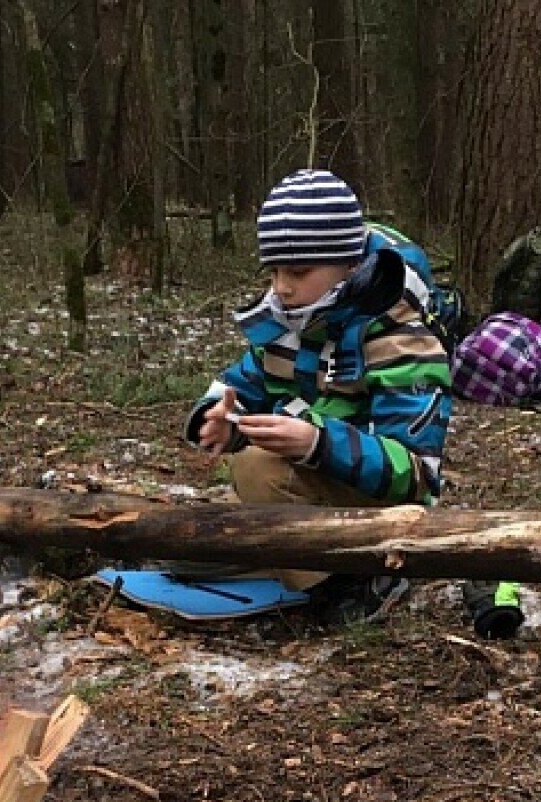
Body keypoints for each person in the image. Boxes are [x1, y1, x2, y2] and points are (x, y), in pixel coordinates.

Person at [184, 169, 453, 624]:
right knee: (220, 511)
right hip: (321, 483)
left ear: (350, 265)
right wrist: (218, 419)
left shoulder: (400, 337)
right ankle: (293, 555)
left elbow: (418, 474)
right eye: (273, 271)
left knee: (257, 470)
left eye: (298, 271)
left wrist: (315, 443)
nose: (281, 287)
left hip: (388, 509)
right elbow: (244, 385)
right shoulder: (288, 320)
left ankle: (357, 581)